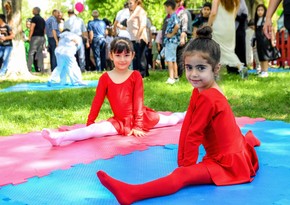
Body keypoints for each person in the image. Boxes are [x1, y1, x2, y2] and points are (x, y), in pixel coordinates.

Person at [96, 26, 260, 205]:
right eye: (189, 68)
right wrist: (184, 159)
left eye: (201, 68)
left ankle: (132, 193)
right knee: (240, 139)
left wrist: (186, 166)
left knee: (181, 176)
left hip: (227, 165)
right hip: (232, 147)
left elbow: (193, 133)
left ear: (216, 68)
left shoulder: (209, 97)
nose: (194, 74)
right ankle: (250, 139)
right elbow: (189, 120)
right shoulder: (203, 88)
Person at [42, 37, 185, 146]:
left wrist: (138, 126)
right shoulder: (105, 78)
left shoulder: (135, 76)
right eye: (118, 55)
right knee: (92, 131)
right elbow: (97, 101)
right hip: (119, 121)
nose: (122, 59)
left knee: (171, 120)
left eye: (126, 55)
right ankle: (58, 137)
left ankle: (186, 114)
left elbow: (138, 102)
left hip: (143, 118)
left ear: (133, 55)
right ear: (111, 55)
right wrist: (90, 122)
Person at [208, 0, 244, 75]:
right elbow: (235, 14)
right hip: (230, 28)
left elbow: (213, 13)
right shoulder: (235, 1)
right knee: (229, 50)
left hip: (218, 27)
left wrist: (208, 25)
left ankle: (215, 73)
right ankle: (241, 67)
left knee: (216, 50)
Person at [254, 4, 279, 77]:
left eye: (262, 10)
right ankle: (262, 71)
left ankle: (265, 72)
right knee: (260, 56)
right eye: (258, 10)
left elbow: (271, 30)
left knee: (265, 57)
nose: (260, 12)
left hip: (265, 40)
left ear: (265, 11)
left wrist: (273, 40)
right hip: (259, 41)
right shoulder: (257, 20)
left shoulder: (266, 20)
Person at [127, 0, 148, 78]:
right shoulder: (132, 12)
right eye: (128, 4)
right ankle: (136, 73)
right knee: (135, 57)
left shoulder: (140, 11)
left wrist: (138, 36)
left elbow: (143, 25)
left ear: (136, 3)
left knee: (141, 57)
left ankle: (143, 74)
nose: (129, 5)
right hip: (132, 38)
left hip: (139, 38)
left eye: (131, 3)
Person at [164, 0, 180, 84]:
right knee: (173, 59)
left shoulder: (173, 16)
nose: (165, 10)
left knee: (169, 59)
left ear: (169, 7)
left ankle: (171, 77)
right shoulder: (173, 16)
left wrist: (171, 34)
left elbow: (177, 25)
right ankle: (176, 76)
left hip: (172, 41)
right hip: (173, 41)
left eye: (165, 8)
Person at [27, 7, 46, 73]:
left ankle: (29, 68)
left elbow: (32, 28)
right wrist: (43, 37)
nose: (32, 11)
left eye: (33, 10)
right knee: (40, 53)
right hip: (41, 37)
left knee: (31, 53)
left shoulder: (34, 18)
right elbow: (44, 30)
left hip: (35, 37)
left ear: (35, 11)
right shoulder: (42, 19)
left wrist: (29, 37)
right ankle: (41, 69)